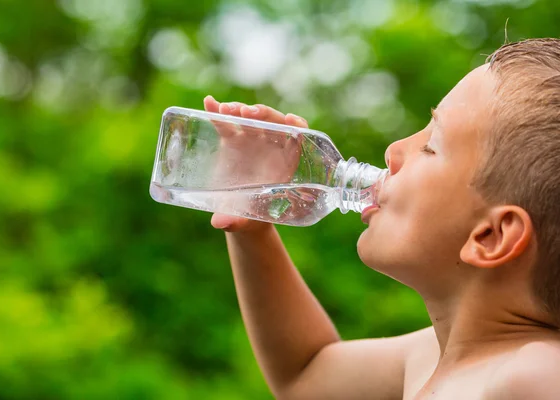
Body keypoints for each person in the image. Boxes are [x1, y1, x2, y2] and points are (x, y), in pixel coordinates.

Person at [203, 38, 560, 399]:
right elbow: (305, 373)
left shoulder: (535, 371)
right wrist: (253, 227)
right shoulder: (426, 359)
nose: (392, 151)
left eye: (430, 146)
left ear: (490, 237)